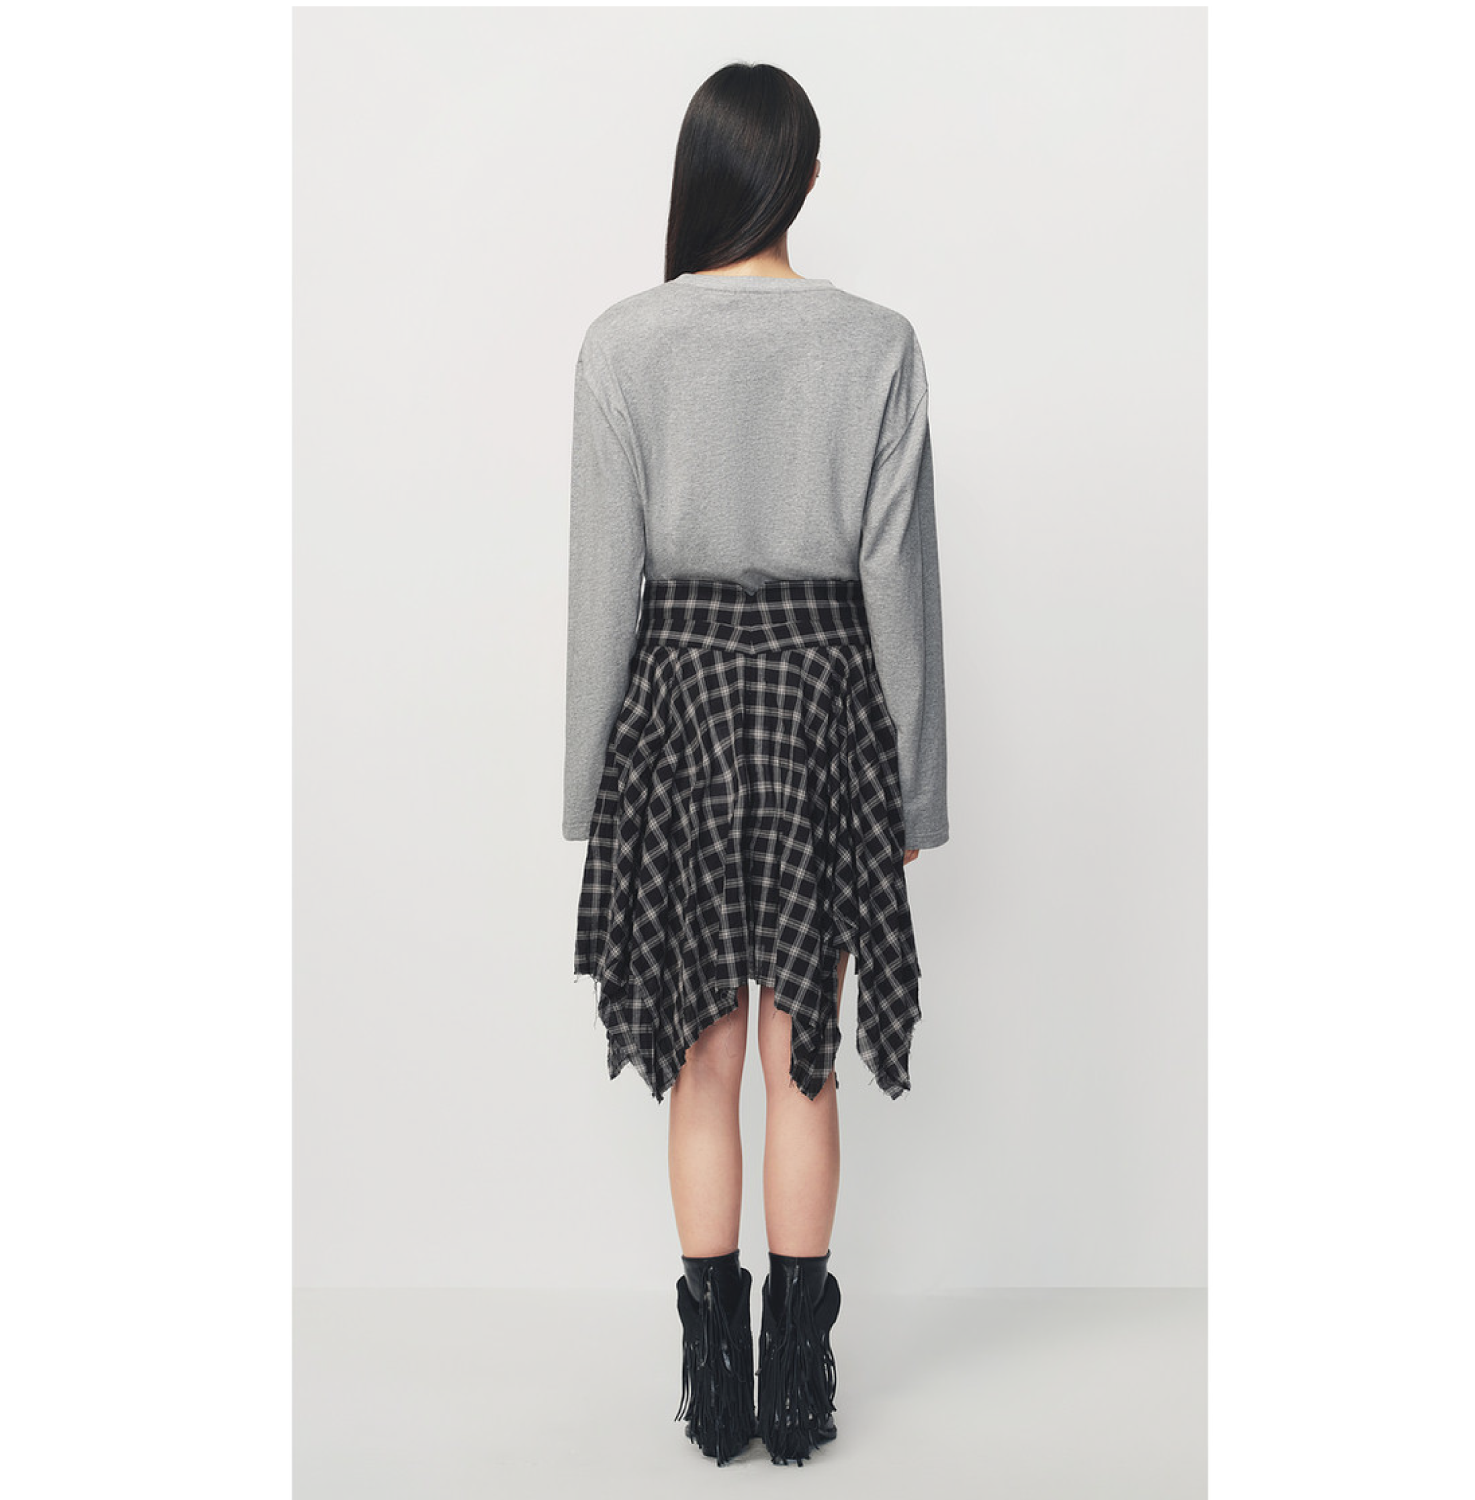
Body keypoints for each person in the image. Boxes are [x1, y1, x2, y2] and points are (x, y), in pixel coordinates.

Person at [562, 61, 948, 1466]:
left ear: (702, 174)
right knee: (804, 1058)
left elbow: (604, 590)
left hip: (676, 708)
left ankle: (714, 1389)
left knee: (702, 1060)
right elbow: (897, 582)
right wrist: (914, 792)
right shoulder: (878, 346)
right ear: (808, 178)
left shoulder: (623, 345)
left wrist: (587, 790)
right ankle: (798, 1392)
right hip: (822, 705)